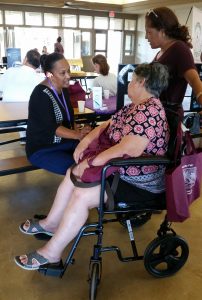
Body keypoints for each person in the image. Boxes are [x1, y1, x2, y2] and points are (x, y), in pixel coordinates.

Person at [14, 62, 170, 270]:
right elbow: (108, 124)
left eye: (132, 80)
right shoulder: (136, 106)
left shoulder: (149, 112)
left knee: (82, 195)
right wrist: (87, 140)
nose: (129, 84)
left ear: (142, 83)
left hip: (138, 182)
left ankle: (52, 254)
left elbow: (129, 149)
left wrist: (91, 162)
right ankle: (51, 223)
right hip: (121, 171)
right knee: (72, 173)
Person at [25, 52, 91, 175]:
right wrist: (78, 135)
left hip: (63, 143)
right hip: (42, 149)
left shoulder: (63, 90)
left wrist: (80, 131)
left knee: (91, 157)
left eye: (68, 71)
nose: (68, 76)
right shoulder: (40, 94)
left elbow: (70, 119)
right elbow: (53, 128)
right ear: (50, 75)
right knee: (79, 169)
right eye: (62, 73)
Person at [145, 7, 202, 118]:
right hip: (156, 114)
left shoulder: (179, 49)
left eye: (149, 32)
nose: (146, 37)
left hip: (168, 117)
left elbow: (194, 80)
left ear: (162, 31)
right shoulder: (161, 51)